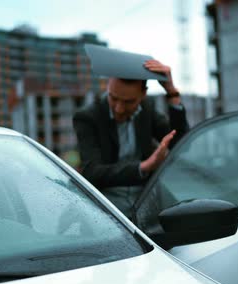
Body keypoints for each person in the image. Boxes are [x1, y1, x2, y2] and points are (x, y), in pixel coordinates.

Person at [73, 58, 189, 218]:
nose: (119, 109)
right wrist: (144, 167)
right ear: (108, 86)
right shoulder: (87, 117)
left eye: (129, 102)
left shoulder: (147, 107)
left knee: (184, 219)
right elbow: (91, 172)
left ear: (143, 94)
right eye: (113, 98)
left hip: (145, 196)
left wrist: (171, 92)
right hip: (106, 202)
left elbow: (180, 143)